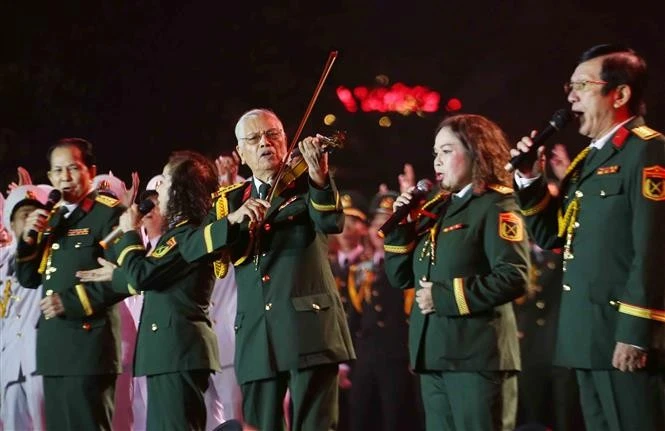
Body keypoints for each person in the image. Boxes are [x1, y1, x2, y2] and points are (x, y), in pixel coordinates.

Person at [511, 44, 665, 430]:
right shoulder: (590, 160)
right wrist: (529, 180)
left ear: (621, 93)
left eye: (582, 85)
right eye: (571, 85)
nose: (570, 96)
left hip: (623, 335)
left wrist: (635, 333)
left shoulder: (646, 151)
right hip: (586, 333)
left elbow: (653, 250)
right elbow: (552, 237)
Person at [178, 108, 355, 430]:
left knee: (315, 425)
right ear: (241, 153)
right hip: (257, 334)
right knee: (259, 426)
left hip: (309, 327)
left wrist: (318, 177)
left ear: (287, 142)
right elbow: (191, 250)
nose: (265, 144)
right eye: (254, 138)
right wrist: (232, 221)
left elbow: (331, 221)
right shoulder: (229, 201)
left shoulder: (308, 185)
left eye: (273, 135)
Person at [383, 113, 529, 430]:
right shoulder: (436, 208)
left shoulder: (496, 204)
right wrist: (401, 230)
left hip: (476, 358)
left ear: (476, 151)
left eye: (447, 151)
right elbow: (400, 278)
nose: (437, 161)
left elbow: (514, 276)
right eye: (436, 152)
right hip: (434, 356)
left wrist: (445, 297)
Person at [78, 150, 222, 430]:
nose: (159, 189)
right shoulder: (178, 235)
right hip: (169, 354)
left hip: (177, 352)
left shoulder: (185, 235)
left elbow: (142, 275)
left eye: (166, 182)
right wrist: (118, 274)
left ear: (182, 191)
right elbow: (144, 276)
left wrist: (130, 232)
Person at [15, 137, 128, 430]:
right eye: (58, 170)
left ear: (91, 171)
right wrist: (27, 240)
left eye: (73, 168)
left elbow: (124, 276)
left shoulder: (109, 213)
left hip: (89, 347)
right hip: (54, 349)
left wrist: (69, 301)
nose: (65, 177)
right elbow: (28, 279)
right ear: (50, 177)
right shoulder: (51, 218)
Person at [349, 189, 421, 431]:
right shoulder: (359, 267)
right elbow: (355, 315)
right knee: (360, 416)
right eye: (377, 224)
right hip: (366, 353)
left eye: (387, 222)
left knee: (395, 417)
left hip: (397, 352)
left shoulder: (406, 262)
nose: (381, 230)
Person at [0, 185, 50, 430]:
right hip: (9, 365)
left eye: (35, 213)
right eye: (23, 215)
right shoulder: (2, 263)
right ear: (10, 223)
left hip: (42, 363)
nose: (30, 219)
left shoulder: (52, 258)